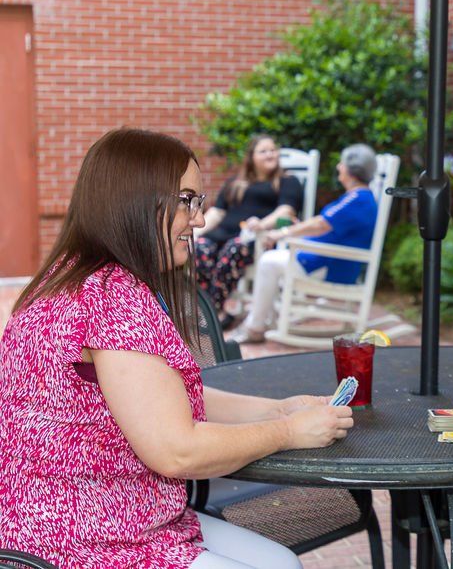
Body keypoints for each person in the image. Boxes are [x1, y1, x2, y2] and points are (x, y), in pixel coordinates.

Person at [0, 128, 354, 569]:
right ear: (136, 201)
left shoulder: (69, 276)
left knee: (281, 563)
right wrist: (289, 434)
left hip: (83, 518)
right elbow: (176, 449)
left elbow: (158, 400)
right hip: (82, 540)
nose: (200, 219)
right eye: (187, 200)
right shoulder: (112, 296)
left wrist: (279, 409)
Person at [228, 143, 378, 343]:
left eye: (342, 164)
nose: (339, 167)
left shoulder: (358, 199)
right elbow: (326, 227)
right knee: (272, 260)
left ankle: (255, 327)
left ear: (352, 170)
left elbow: (321, 224)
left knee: (268, 261)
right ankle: (265, 320)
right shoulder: (357, 198)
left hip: (329, 266)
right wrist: (300, 233)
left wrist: (284, 232)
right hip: (324, 260)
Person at [194, 135, 303, 312]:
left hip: (255, 238)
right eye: (263, 151)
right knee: (200, 247)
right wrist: (197, 231)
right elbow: (218, 212)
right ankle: (205, 308)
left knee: (234, 248)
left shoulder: (288, 181)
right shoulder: (235, 182)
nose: (270, 155)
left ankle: (212, 312)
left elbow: (287, 210)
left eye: (273, 150)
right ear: (252, 157)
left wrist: (262, 224)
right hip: (223, 233)